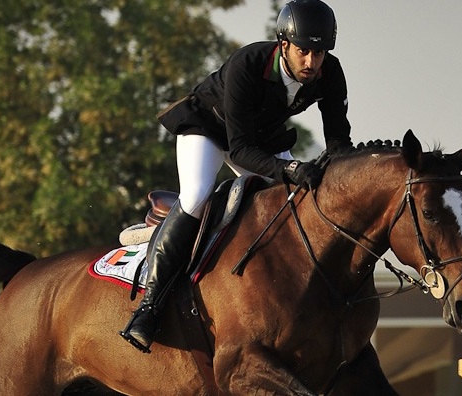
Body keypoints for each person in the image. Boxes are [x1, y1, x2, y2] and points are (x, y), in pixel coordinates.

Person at [119, 0, 352, 353]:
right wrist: (290, 169)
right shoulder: (249, 64)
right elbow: (240, 150)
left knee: (294, 204)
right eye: (304, 51)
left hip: (259, 138)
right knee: (197, 195)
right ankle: (148, 309)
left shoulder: (329, 72)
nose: (311, 62)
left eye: (319, 53)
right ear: (283, 44)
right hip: (209, 130)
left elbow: (338, 142)